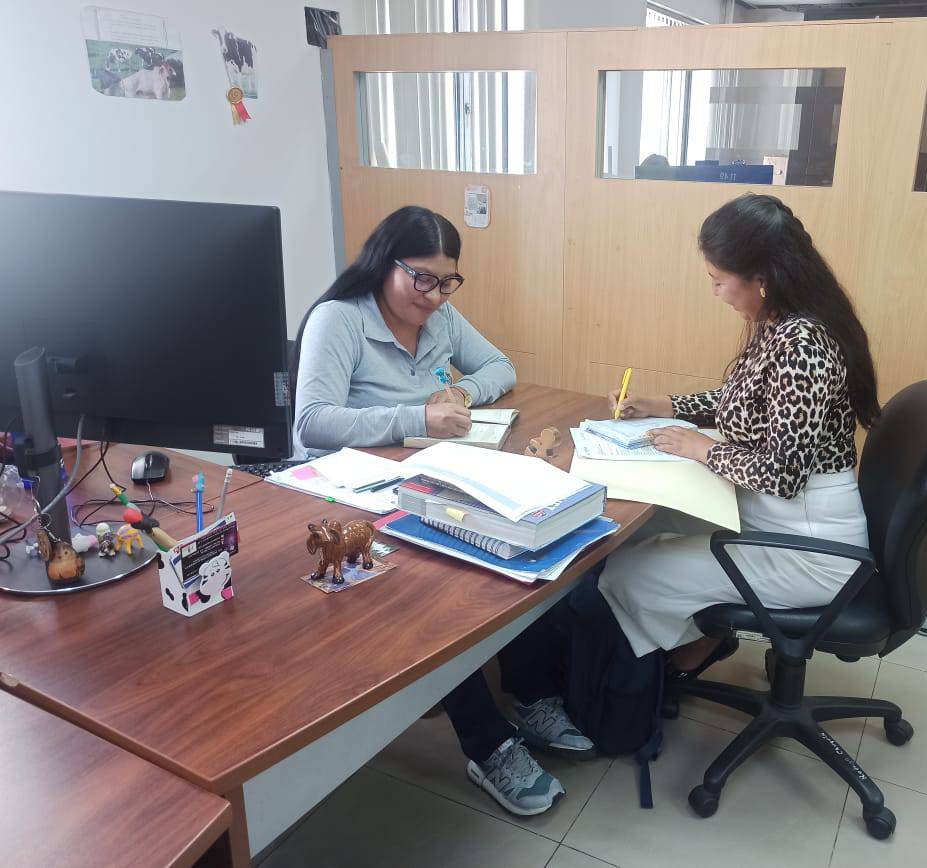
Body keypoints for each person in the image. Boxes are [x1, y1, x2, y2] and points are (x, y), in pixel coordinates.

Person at [294, 206, 592, 816]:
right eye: (421, 279)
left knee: (516, 549)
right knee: (439, 594)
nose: (433, 296)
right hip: (355, 493)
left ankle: (531, 693)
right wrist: (416, 417)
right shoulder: (339, 319)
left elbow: (500, 367)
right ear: (385, 263)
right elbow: (312, 422)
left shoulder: (440, 316)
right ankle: (489, 745)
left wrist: (461, 391)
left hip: (433, 477)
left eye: (445, 281)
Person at [598, 193, 879, 676]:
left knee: (629, 571)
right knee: (641, 532)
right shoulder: (782, 325)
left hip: (811, 551)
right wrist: (664, 405)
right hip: (779, 522)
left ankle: (663, 671)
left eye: (718, 280)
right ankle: (695, 643)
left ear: (761, 279)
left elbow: (782, 475)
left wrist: (703, 449)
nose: (716, 292)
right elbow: (745, 400)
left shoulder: (804, 346)